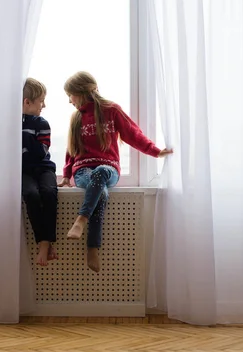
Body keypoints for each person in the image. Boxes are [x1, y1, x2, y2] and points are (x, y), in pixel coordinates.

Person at [58, 71, 173, 272]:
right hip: (83, 171)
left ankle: (81, 220)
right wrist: (67, 175)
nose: (69, 101)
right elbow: (71, 150)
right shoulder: (76, 118)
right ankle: (92, 246)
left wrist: (156, 151)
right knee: (100, 192)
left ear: (82, 92)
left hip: (108, 169)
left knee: (101, 171)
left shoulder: (111, 110)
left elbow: (132, 134)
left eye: (71, 95)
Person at [22, 78, 58, 266]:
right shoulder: (9, 124)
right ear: (27, 102)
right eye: (41, 101)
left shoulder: (41, 123)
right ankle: (44, 242)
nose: (44, 105)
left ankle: (45, 243)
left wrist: (24, 137)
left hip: (43, 167)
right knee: (31, 194)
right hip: (23, 172)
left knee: (49, 193)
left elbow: (38, 153)